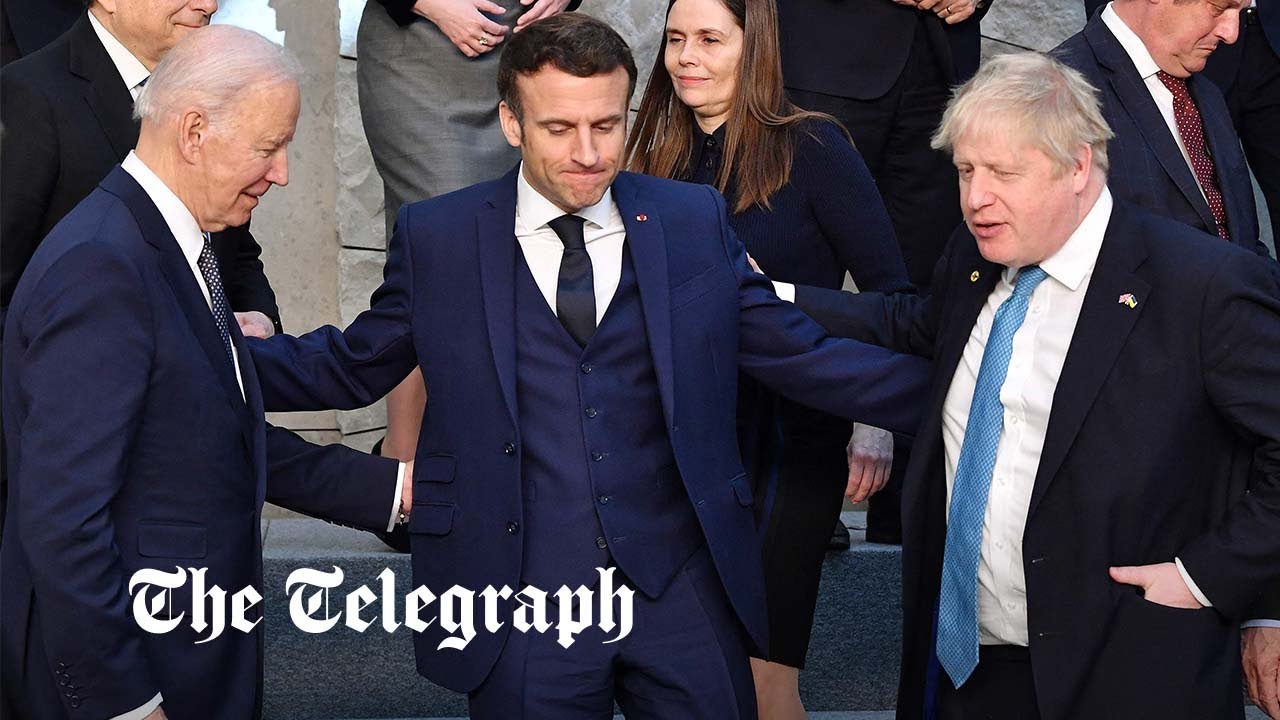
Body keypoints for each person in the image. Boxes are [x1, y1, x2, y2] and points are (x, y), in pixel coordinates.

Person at [247, 13, 930, 719]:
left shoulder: (688, 219)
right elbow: (348, 367)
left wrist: (966, 395)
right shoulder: (441, 237)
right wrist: (198, 356)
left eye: (605, 126)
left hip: (682, 598)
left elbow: (803, 355)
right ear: (512, 124)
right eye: (559, 128)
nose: (587, 153)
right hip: (522, 605)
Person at [778, 51, 1280, 719]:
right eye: (964, 171)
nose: (976, 198)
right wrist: (769, 293)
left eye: (1003, 174)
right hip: (966, 671)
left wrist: (1206, 577)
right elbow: (905, 324)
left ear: (1077, 166)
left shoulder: (1200, 284)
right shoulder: (973, 258)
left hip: (1128, 672)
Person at [0, 26, 412, 720]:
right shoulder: (102, 265)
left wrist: (400, 491)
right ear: (193, 131)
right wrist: (126, 704)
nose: (281, 172)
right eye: (267, 147)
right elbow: (63, 522)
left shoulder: (169, 240)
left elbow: (212, 423)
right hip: (138, 675)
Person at [625, 0, 909, 715]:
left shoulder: (814, 147)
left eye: (711, 39)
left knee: (763, 680)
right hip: (684, 445)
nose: (687, 56)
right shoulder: (652, 155)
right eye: (676, 39)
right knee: (688, 680)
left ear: (757, 48)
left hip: (792, 441)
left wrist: (871, 423)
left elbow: (893, 298)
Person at [357, 0, 580, 467]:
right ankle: (402, 464)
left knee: (521, 244)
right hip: (418, 47)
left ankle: (498, 458)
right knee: (439, 250)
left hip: (526, 52)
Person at [1054, 0, 1270, 257]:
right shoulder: (1057, 94)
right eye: (1219, 8)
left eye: (1241, 11)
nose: (1231, 33)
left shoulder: (1208, 94)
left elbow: (1245, 243)